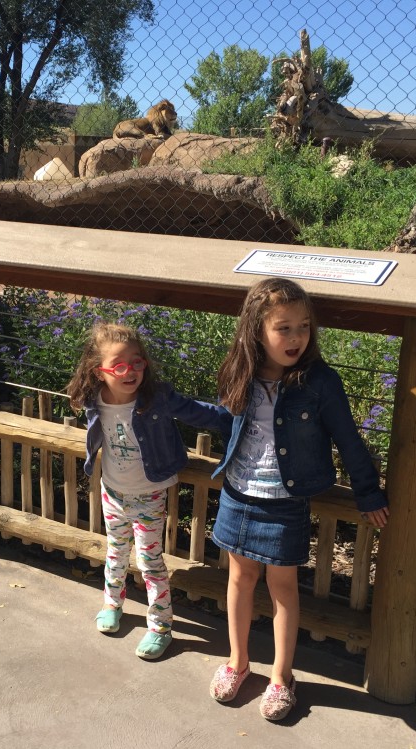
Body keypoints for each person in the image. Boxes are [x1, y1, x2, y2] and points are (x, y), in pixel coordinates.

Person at [208, 278, 390, 721]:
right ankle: (237, 662)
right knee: (239, 580)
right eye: (283, 328)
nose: (295, 338)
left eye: (303, 327)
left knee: (283, 588)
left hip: (285, 499)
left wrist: (367, 492)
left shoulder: (320, 382)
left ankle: (281, 676)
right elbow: (222, 419)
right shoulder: (241, 369)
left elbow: (348, 438)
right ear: (256, 330)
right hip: (238, 491)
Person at [67, 322, 231, 660]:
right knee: (115, 552)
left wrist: (236, 417)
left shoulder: (156, 398)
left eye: (137, 362)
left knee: (150, 561)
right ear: (100, 372)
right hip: (112, 489)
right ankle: (112, 605)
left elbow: (198, 413)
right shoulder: (94, 401)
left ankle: (160, 626)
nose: (131, 372)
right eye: (120, 366)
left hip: (149, 492)